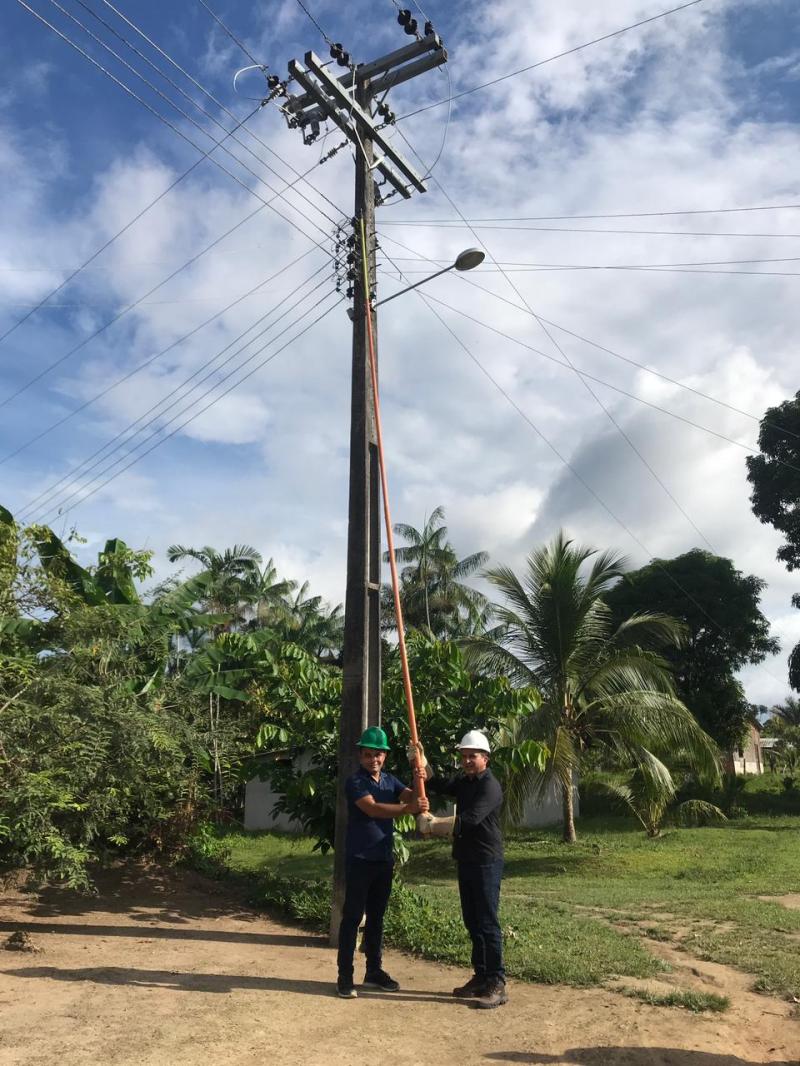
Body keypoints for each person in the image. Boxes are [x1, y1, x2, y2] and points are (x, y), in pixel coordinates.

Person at [408, 729, 507, 1009]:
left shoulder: (490, 786)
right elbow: (436, 782)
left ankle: (497, 982)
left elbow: (470, 820)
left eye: (472, 756)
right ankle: (481, 976)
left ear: (485, 758)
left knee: (487, 922)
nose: (466, 761)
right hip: (466, 858)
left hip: (487, 860)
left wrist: (433, 824)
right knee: (472, 921)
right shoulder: (466, 781)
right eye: (463, 756)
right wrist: (421, 760)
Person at [336, 725, 428, 999]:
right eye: (368, 755)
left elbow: (415, 797)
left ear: (385, 756)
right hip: (359, 859)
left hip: (383, 859)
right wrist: (408, 808)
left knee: (377, 917)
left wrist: (420, 772)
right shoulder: (355, 782)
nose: (373, 759)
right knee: (352, 918)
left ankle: (373, 971)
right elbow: (373, 808)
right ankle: (345, 976)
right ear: (360, 756)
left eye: (378, 755)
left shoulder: (390, 781)